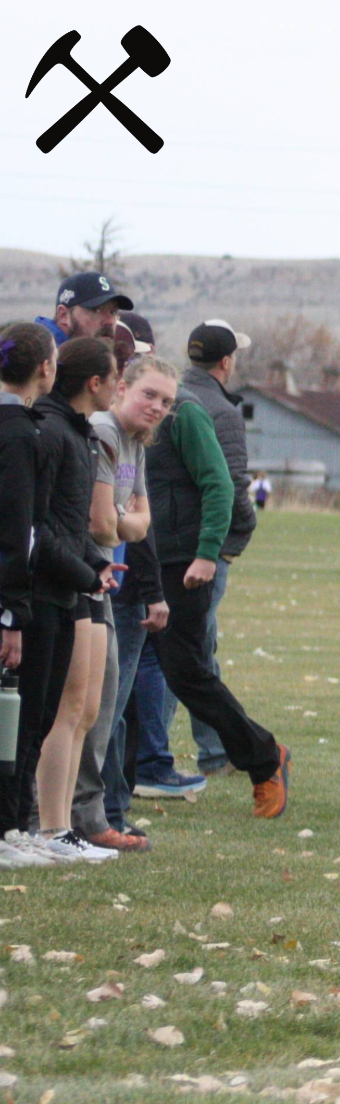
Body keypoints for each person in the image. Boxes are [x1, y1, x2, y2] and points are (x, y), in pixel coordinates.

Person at [144, 323, 291, 818]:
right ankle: (132, 772)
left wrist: (217, 550)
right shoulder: (150, 409)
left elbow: (224, 484)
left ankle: (264, 757)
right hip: (145, 555)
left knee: (185, 670)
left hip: (187, 558)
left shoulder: (189, 410)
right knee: (145, 671)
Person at [18, 338, 125, 861]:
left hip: (74, 580)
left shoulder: (79, 435)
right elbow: (40, 528)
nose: (120, 386)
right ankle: (46, 827)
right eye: (116, 376)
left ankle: (58, 829)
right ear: (94, 382)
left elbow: (70, 522)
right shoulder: (53, 432)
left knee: (81, 711)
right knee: (58, 711)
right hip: (50, 588)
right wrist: (86, 569)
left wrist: (98, 563)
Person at [71, 357, 180, 853]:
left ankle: (92, 819)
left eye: (166, 401)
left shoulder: (135, 441)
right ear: (120, 389)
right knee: (84, 709)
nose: (157, 407)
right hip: (77, 579)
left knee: (102, 704)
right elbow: (104, 525)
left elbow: (139, 522)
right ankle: (77, 821)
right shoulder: (103, 432)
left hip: (103, 583)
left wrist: (124, 519)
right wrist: (123, 519)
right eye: (149, 395)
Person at [0, 323, 86, 868]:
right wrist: (11, 614)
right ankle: (10, 829)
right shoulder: (20, 435)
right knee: (23, 719)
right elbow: (20, 532)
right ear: (46, 370)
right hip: (19, 601)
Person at [164, 321, 259, 779]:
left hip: (169, 543)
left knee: (188, 649)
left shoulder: (171, 396)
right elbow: (232, 483)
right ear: (226, 362)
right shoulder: (220, 410)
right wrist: (238, 534)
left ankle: (210, 749)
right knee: (189, 654)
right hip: (204, 547)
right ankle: (207, 752)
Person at [35, 271, 131, 347]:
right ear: (63, 315)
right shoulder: (37, 361)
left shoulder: (92, 362)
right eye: (96, 310)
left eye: (113, 312)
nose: (109, 321)